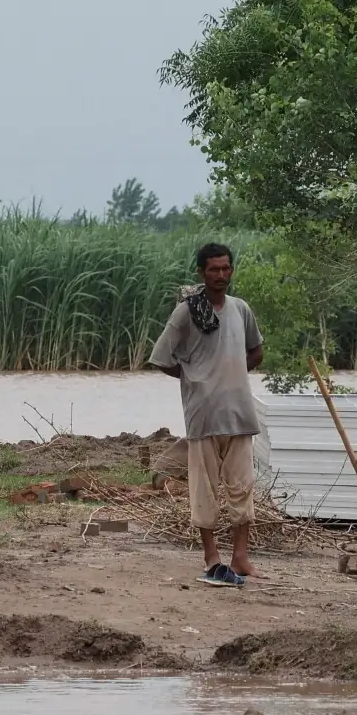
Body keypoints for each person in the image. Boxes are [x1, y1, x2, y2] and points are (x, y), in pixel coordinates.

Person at [148, 242, 264, 587]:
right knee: (205, 490)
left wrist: (232, 373)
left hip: (240, 414)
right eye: (213, 269)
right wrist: (196, 378)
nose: (221, 275)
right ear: (201, 273)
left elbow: (256, 351)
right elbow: (162, 357)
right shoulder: (187, 312)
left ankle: (240, 558)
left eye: (226, 268)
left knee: (243, 487)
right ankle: (211, 557)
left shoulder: (241, 310)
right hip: (203, 416)